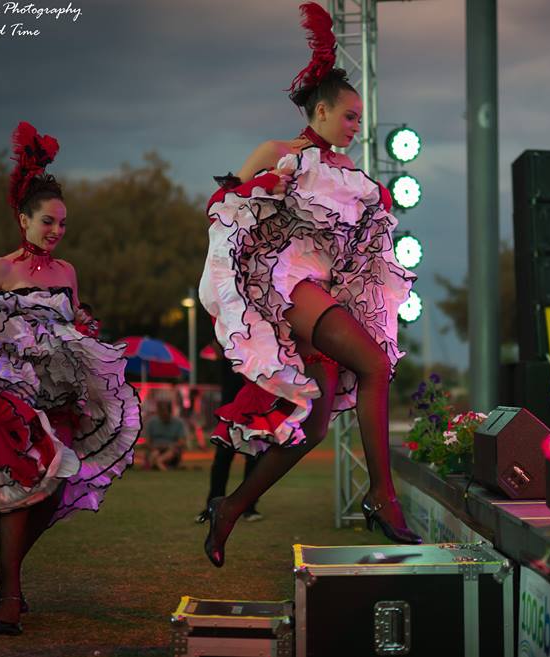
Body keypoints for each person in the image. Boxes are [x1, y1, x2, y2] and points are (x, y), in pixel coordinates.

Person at [199, 2, 420, 567]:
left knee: (315, 426)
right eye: (349, 116)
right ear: (320, 111)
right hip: (284, 289)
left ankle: (230, 508)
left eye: (358, 118)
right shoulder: (280, 153)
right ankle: (382, 496)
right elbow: (224, 212)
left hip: (315, 294)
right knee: (375, 365)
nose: (356, 126)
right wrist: (271, 170)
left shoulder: (344, 173)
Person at [0, 122, 141, 635]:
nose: (56, 231)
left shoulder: (68, 271)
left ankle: (8, 568)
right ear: (23, 219)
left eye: (62, 223)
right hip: (12, 401)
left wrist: (83, 326)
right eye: (47, 221)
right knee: (24, 486)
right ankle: (10, 593)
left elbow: (73, 323)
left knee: (55, 490)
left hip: (56, 398)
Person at [195, 358, 263, 524]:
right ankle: (214, 507)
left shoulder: (258, 351)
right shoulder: (231, 344)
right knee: (222, 460)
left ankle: (248, 507)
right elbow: (217, 346)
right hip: (231, 411)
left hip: (253, 412)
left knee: (252, 460)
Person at [144, 400, 187, 470]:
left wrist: (169, 446)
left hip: (171, 449)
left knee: (172, 451)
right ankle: (159, 464)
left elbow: (182, 442)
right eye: (161, 412)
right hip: (155, 448)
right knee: (155, 452)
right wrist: (153, 447)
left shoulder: (178, 423)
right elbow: (147, 442)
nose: (163, 414)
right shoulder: (152, 422)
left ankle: (157, 463)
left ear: (170, 412)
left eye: (165, 412)